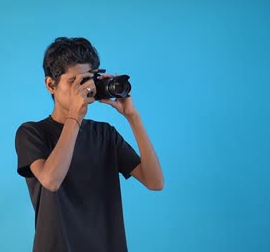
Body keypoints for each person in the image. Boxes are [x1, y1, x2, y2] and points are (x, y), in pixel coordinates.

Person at [15, 37, 164, 252]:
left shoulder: (104, 134)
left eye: (86, 81)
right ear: (50, 85)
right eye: (73, 82)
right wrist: (75, 116)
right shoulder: (31, 133)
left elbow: (155, 182)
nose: (82, 90)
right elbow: (52, 180)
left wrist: (132, 116)